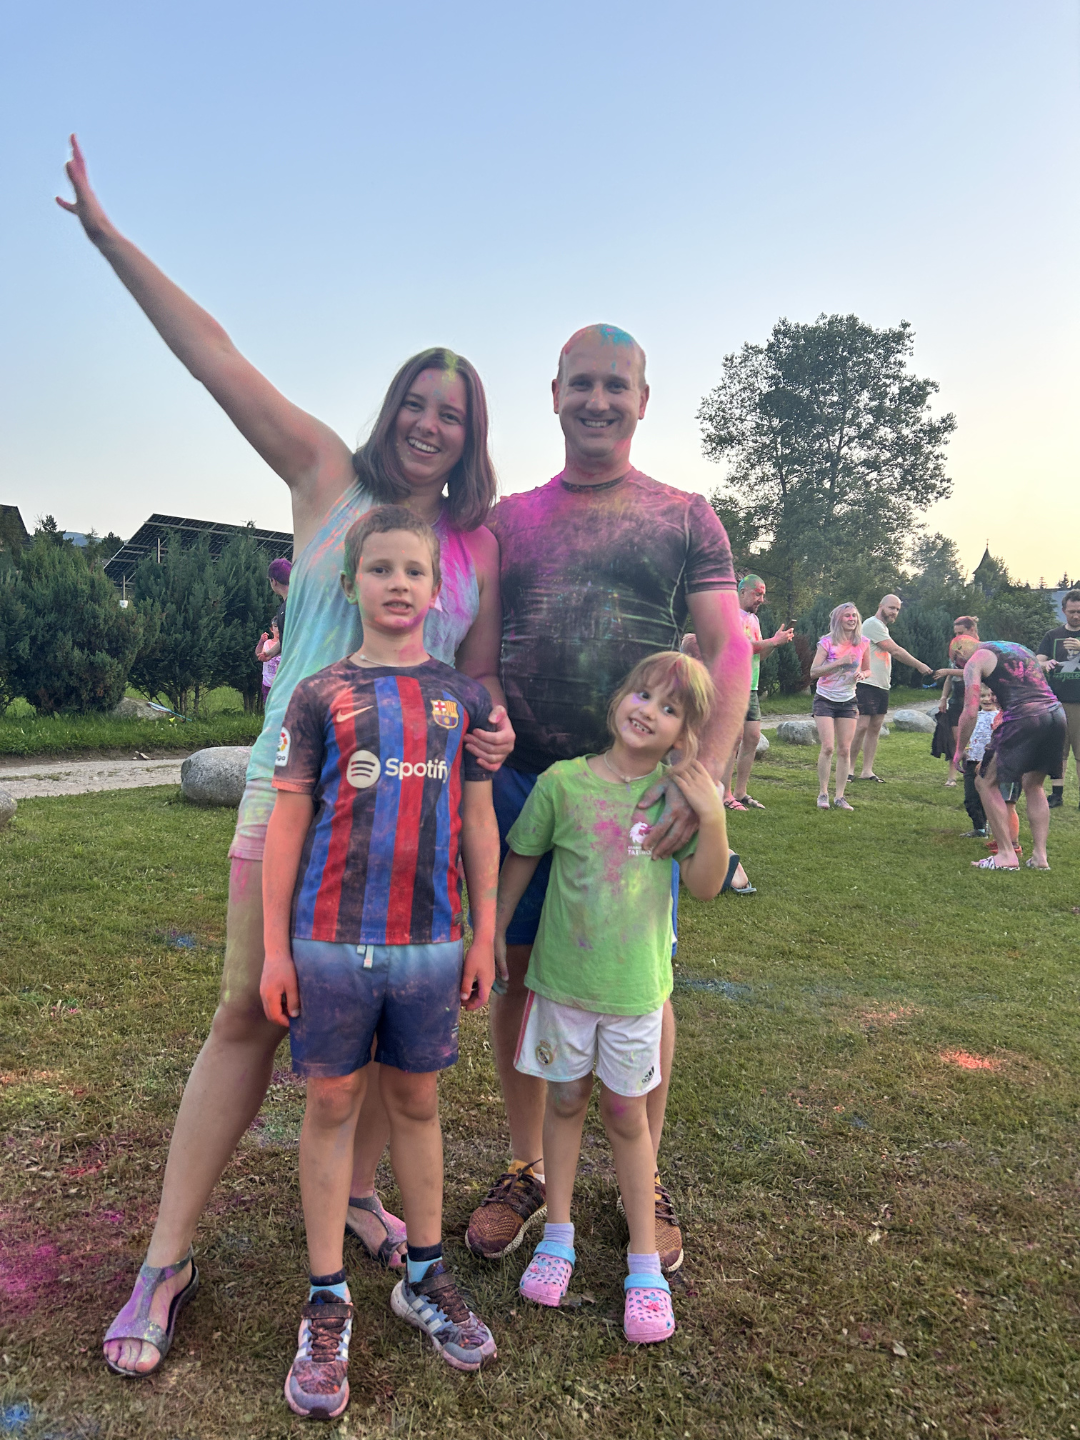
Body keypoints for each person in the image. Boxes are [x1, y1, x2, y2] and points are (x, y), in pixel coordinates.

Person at [58, 139, 515, 1377]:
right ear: (392, 410)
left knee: (378, 1029)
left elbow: (475, 687)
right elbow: (216, 356)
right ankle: (167, 1258)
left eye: (453, 413)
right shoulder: (323, 475)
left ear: (471, 434)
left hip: (412, 819)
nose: (429, 424)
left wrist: (493, 727)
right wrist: (109, 239)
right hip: (291, 793)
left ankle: (361, 1198)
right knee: (245, 1013)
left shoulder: (475, 547)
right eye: (417, 403)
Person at [466, 324, 752, 1274]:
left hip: (637, 792)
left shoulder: (686, 516)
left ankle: (645, 1172)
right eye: (581, 383)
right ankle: (526, 1167)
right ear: (553, 394)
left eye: (615, 385)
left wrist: (698, 782)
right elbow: (482, 653)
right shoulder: (508, 519)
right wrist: (489, 723)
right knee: (521, 971)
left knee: (643, 979)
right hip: (526, 779)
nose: (598, 400)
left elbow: (730, 648)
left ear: (643, 399)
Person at [262, 509, 500, 1415]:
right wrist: (276, 948)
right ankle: (326, 1299)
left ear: (436, 591)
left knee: (417, 1102)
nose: (397, 583)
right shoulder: (318, 693)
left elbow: (478, 822)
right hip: (328, 940)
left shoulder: (462, 700)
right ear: (350, 582)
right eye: (380, 569)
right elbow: (288, 823)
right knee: (331, 1102)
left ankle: (425, 1277)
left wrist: (484, 934)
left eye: (413, 571)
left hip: (432, 942)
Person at [497, 652, 730, 1343]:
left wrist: (713, 817)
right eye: (642, 695)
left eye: (669, 708)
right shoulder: (562, 784)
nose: (649, 712)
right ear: (617, 699)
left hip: (635, 996)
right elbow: (522, 857)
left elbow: (707, 886)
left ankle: (643, 1266)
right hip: (561, 988)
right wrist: (492, 935)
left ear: (684, 732)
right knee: (566, 1101)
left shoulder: (674, 800)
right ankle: (557, 1237)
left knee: (628, 1116)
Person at [956, 641, 1066, 871]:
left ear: (960, 652)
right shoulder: (1018, 649)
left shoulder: (976, 660)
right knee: (1034, 785)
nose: (960, 666)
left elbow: (970, 710)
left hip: (1024, 717)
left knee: (984, 781)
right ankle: (1040, 857)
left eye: (958, 662)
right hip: (1056, 714)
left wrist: (958, 749)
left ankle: (1006, 854)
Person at [720, 575, 794, 811]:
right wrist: (772, 641)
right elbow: (741, 647)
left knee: (752, 737)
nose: (761, 599)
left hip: (750, 686)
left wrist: (775, 644)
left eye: (763, 595)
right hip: (730, 685)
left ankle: (740, 792)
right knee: (733, 739)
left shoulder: (753, 619)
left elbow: (758, 655)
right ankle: (724, 794)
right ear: (742, 592)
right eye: (757, 593)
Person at [849, 594, 933, 782]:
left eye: (897, 609)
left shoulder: (882, 628)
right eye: (891, 608)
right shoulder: (872, 624)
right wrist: (919, 665)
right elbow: (895, 650)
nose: (894, 612)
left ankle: (867, 771)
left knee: (875, 727)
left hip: (882, 684)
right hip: (866, 682)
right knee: (861, 726)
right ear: (881, 605)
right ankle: (848, 769)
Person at [809, 603, 870, 811]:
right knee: (828, 747)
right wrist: (840, 662)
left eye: (854, 615)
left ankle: (840, 797)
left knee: (844, 750)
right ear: (838, 619)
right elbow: (813, 672)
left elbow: (868, 669)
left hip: (848, 700)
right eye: (847, 616)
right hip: (825, 699)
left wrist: (863, 674)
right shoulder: (826, 642)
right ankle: (823, 793)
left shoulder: (863, 642)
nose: (852, 619)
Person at [1036, 588, 1080, 808]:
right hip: (1056, 701)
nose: (1076, 616)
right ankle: (1057, 794)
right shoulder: (1052, 635)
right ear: (1063, 611)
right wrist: (1044, 664)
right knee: (1058, 751)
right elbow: (1038, 660)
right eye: (1072, 611)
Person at [935, 616, 980, 786]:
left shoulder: (981, 650)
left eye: (961, 633)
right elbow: (950, 677)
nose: (957, 638)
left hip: (974, 697)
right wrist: (943, 698)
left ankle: (975, 772)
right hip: (957, 698)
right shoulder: (956, 649)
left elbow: (974, 672)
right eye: (955, 634)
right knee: (956, 738)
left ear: (972, 630)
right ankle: (952, 776)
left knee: (975, 738)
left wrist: (949, 671)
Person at [959, 685, 996, 837]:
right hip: (972, 761)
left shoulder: (1000, 717)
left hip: (991, 763)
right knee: (971, 798)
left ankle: (992, 825)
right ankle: (979, 827)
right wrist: (962, 750)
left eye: (991, 695)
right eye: (982, 696)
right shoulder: (973, 716)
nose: (987, 699)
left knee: (990, 797)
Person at [256, 558, 292, 703]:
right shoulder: (287, 606)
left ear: (274, 581)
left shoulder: (292, 606)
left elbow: (296, 642)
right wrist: (270, 653)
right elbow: (287, 639)